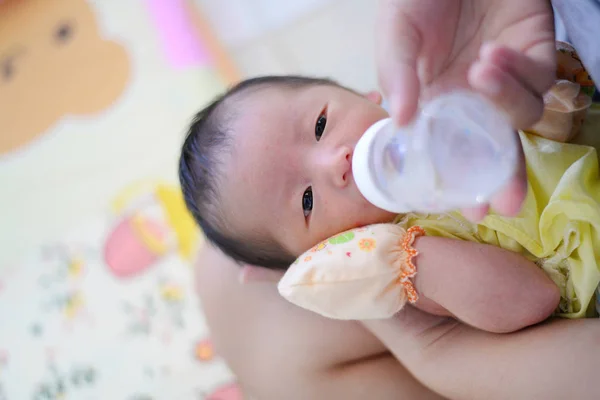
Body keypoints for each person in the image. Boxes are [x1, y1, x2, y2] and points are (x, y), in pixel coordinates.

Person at [187, 1, 600, 398]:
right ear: (318, 251)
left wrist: (531, 90)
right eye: (308, 201)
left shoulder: (439, 97)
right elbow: (534, 297)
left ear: (366, 94)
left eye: (320, 124)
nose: (336, 162)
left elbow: (547, 98)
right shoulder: (408, 253)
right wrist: (413, 261)